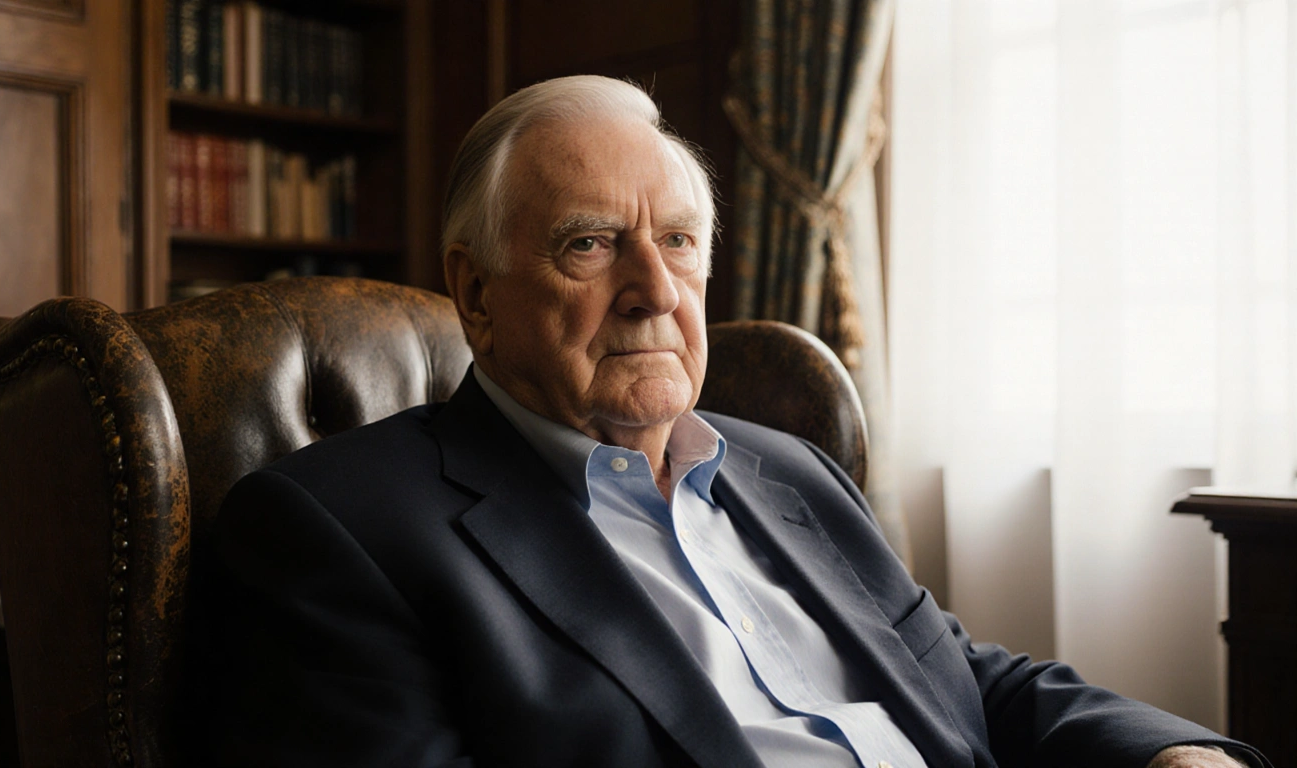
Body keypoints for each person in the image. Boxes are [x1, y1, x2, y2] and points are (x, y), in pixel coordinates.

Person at [205, 75, 1267, 768]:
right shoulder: (333, 530)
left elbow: (959, 677)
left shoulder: (787, 470)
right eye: (589, 245)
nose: (654, 290)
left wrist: (1165, 754)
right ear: (475, 294)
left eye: (678, 242)